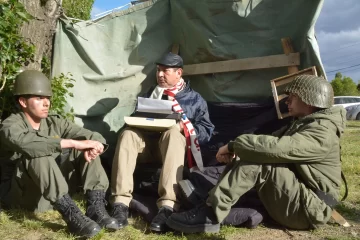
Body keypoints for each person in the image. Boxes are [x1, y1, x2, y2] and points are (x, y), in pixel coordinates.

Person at [166, 75, 346, 233]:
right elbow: (266, 143)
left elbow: (275, 148)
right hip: (301, 198)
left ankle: (210, 214)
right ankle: (209, 202)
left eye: (293, 97)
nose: (287, 101)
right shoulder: (305, 123)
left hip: (309, 211)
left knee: (262, 160)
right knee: (257, 152)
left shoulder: (322, 131)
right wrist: (239, 151)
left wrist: (234, 145)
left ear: (308, 101)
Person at [0, 70, 119, 238]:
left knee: (85, 149)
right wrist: (72, 142)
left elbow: (88, 134)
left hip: (49, 192)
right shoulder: (10, 126)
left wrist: (95, 145)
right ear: (23, 101)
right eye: (39, 98)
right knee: (38, 153)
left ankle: (96, 207)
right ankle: (72, 215)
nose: (46, 103)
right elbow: (30, 145)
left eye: (47, 98)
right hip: (22, 196)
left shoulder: (53, 122)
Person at [110, 52, 214, 232]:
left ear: (179, 73)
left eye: (165, 71)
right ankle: (120, 203)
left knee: (173, 133)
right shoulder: (150, 94)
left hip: (172, 149)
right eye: (158, 70)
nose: (159, 74)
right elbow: (137, 119)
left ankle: (167, 205)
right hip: (148, 147)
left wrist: (185, 128)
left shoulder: (195, 100)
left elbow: (207, 131)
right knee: (128, 134)